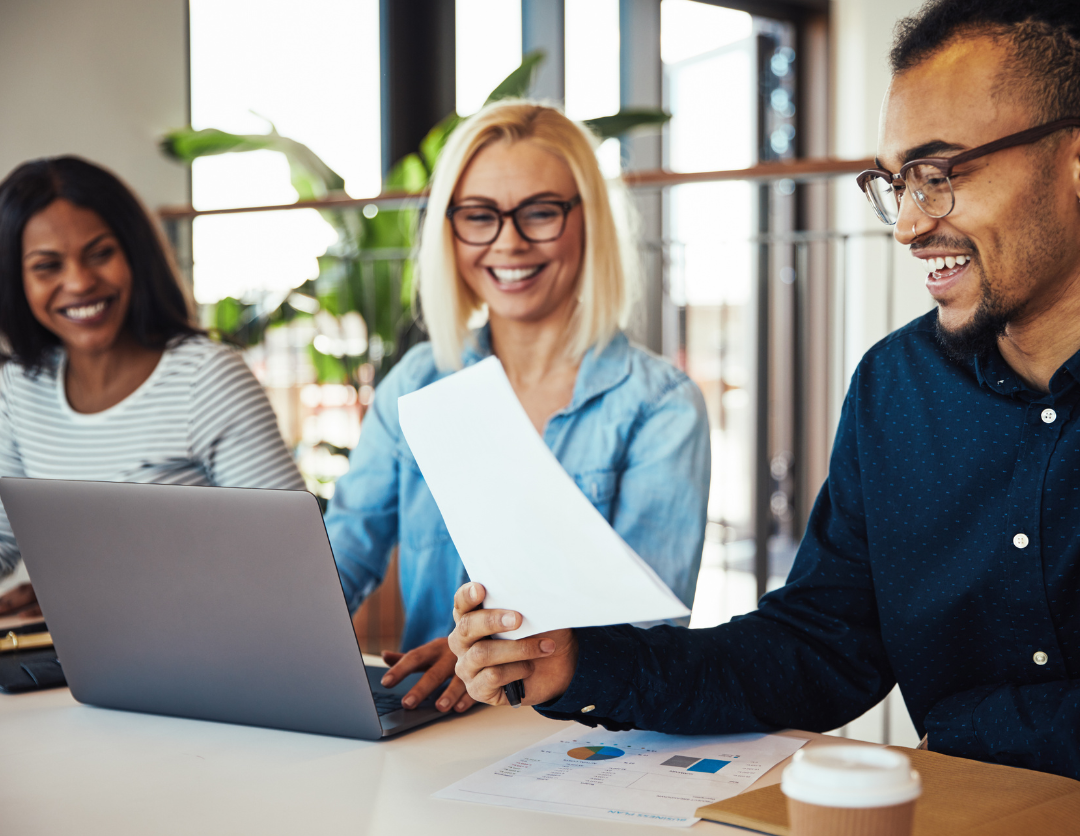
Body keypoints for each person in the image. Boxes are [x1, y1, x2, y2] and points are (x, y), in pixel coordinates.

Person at [448, 0, 1080, 780]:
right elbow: (819, 644)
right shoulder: (897, 389)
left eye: (939, 175)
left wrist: (986, 742)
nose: (909, 226)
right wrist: (581, 664)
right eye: (896, 183)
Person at [324, 101, 710, 716]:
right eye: (479, 215)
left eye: (539, 212)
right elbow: (339, 560)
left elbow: (649, 636)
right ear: (451, 229)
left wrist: (494, 654)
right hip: (431, 726)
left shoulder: (659, 406)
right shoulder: (416, 384)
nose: (508, 241)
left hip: (579, 740)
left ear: (588, 221)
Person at [0, 156, 305, 617]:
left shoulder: (206, 378)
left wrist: (103, 595)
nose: (80, 282)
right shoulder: (19, 386)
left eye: (101, 253)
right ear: (15, 280)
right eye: (47, 266)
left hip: (212, 649)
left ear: (134, 254)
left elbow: (292, 561)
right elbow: (4, 538)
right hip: (85, 656)